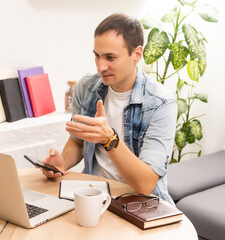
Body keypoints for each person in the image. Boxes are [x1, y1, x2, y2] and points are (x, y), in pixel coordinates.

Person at [41, 13, 177, 205]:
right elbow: (78, 142)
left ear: (137, 54)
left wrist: (109, 139)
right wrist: (62, 162)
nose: (100, 66)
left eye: (110, 57)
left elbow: (145, 184)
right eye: (97, 56)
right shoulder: (86, 87)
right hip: (92, 194)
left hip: (140, 203)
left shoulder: (161, 103)